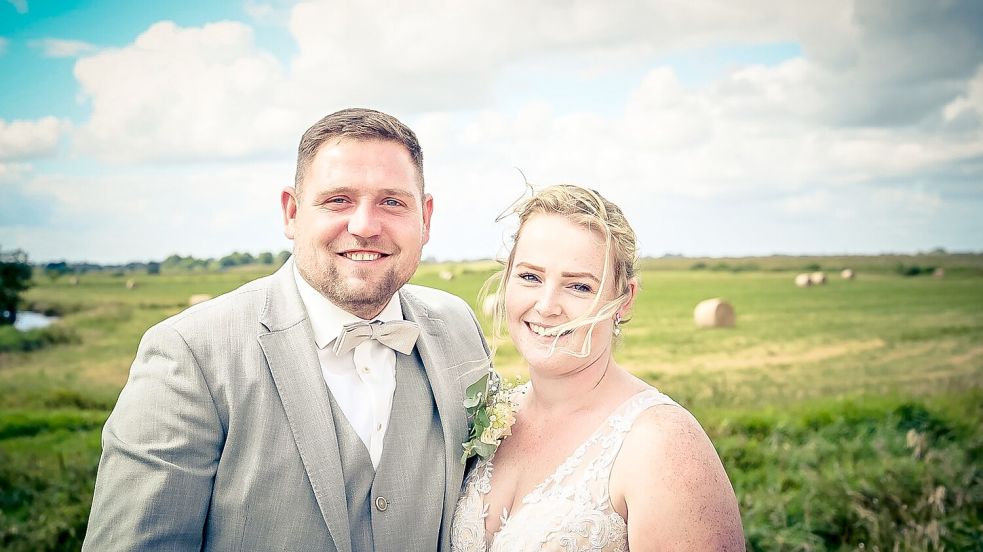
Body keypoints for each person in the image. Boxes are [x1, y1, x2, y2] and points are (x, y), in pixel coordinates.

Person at [83, 108, 491, 551]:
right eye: (338, 200)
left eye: (392, 201)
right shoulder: (190, 352)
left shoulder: (458, 326)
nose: (365, 226)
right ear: (292, 213)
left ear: (425, 218)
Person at [450, 185, 744, 551]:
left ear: (624, 301)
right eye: (530, 277)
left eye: (579, 286)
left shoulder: (662, 445)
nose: (547, 306)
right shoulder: (496, 413)